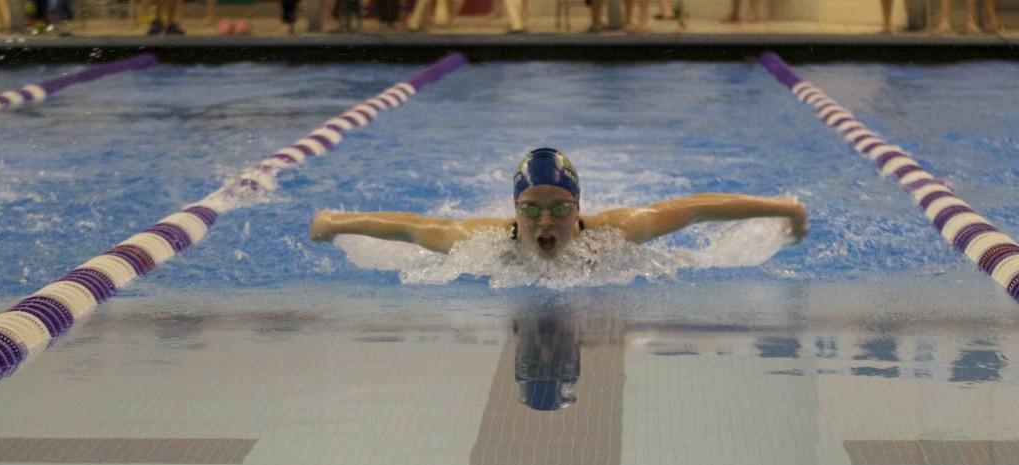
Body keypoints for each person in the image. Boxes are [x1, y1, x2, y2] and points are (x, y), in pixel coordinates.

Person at [310, 148, 808, 259]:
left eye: (559, 207)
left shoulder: (614, 232)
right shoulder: (481, 242)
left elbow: (696, 207)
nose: (545, 219)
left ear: (578, 207)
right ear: (514, 209)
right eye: (530, 208)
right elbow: (409, 226)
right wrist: (336, 223)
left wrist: (782, 208)